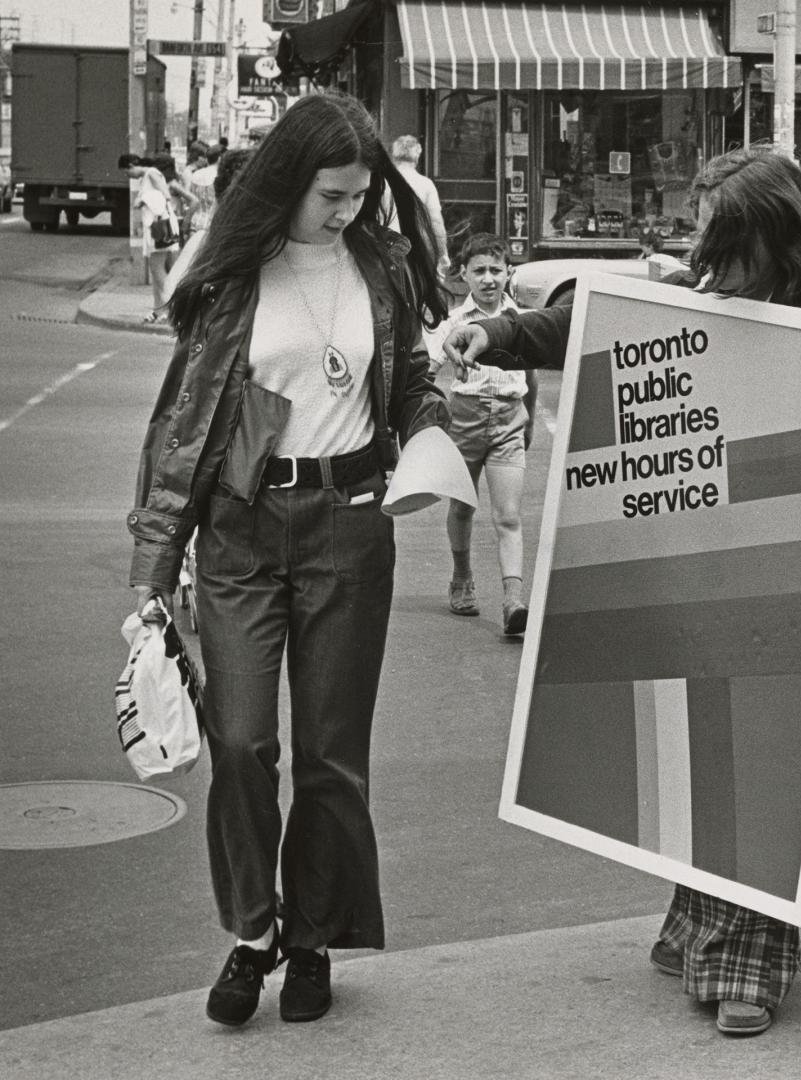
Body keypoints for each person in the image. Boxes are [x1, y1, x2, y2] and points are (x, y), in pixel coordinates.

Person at [443, 145, 801, 1037]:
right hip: (703, 568)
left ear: (775, 239)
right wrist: (492, 332)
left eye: (723, 242)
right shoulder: (701, 295)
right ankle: (699, 934)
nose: (706, 259)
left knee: (767, 770)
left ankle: (749, 970)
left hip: (787, 578)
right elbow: (585, 328)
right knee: (714, 761)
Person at [126, 90, 448, 1028]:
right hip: (241, 532)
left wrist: (430, 435)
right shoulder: (231, 275)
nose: (346, 210)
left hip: (351, 524)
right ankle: (252, 932)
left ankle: (311, 940)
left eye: (358, 194)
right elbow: (184, 430)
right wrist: (152, 577)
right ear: (288, 180)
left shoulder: (382, 265)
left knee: (332, 758)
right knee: (239, 742)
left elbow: (412, 381)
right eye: (330, 194)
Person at [434, 233, 537, 634]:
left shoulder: (521, 319)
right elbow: (428, 370)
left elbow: (530, 370)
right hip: (465, 420)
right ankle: (462, 577)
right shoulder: (455, 323)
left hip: (509, 421)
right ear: (464, 275)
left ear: (509, 272)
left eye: (496, 270)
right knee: (462, 506)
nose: (489, 278)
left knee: (509, 515)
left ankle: (513, 600)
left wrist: (527, 416)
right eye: (479, 271)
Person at [165, 147, 254, 301]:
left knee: (195, 263)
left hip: (199, 219)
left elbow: (192, 197)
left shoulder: (196, 175)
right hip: (216, 219)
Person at [118, 153, 186, 322]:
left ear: (133, 165)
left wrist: (142, 200)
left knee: (157, 269)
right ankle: (159, 310)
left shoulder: (152, 173)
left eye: (127, 172)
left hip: (159, 227)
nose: (128, 176)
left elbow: (165, 196)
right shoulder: (148, 176)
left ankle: (175, 307)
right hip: (157, 227)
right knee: (156, 271)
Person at [386, 134, 448, 265]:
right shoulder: (425, 184)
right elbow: (436, 223)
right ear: (418, 154)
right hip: (415, 248)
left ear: (393, 155)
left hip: (385, 247)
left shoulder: (382, 182)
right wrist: (443, 253)